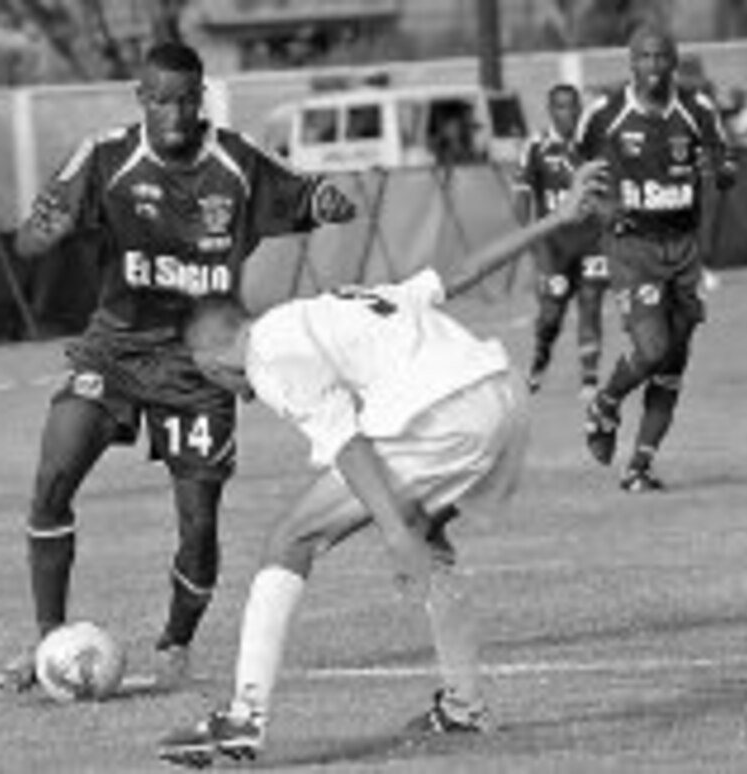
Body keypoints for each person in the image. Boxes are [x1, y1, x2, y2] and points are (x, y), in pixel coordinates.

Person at [157, 159, 607, 767]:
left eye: (203, 375)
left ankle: (243, 719)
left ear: (212, 359)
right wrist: (556, 218)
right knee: (431, 537)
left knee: (290, 538)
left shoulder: (268, 354)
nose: (213, 386)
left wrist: (392, 532)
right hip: (498, 394)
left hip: (444, 413)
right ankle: (464, 707)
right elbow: (461, 272)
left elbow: (348, 441)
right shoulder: (330, 305)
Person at [0, 41, 356, 693]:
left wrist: (329, 201)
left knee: (198, 523)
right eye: (161, 99)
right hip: (114, 350)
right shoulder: (105, 157)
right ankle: (47, 643)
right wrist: (37, 235)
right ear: (141, 99)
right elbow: (30, 237)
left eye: (187, 99)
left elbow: (309, 196)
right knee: (53, 476)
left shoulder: (236, 164)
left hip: (201, 367)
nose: (175, 113)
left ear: (202, 97)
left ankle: (175, 644)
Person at [577, 23, 736, 492]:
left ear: (674, 60)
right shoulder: (605, 113)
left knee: (674, 360)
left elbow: (726, 163)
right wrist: (606, 209)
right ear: (631, 62)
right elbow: (575, 169)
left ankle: (638, 468)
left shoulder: (697, 108)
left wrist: (721, 171)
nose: (653, 66)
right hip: (633, 248)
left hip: (683, 249)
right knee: (652, 349)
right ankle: (605, 403)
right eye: (644, 57)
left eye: (661, 57)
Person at [513, 83, 608, 399]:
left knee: (591, 303)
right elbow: (522, 196)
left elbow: (611, 192)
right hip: (553, 246)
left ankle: (590, 378)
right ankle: (539, 361)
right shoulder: (536, 146)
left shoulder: (594, 145)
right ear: (551, 110)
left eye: (574, 106)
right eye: (563, 107)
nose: (570, 113)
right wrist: (529, 238)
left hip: (591, 241)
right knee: (552, 314)